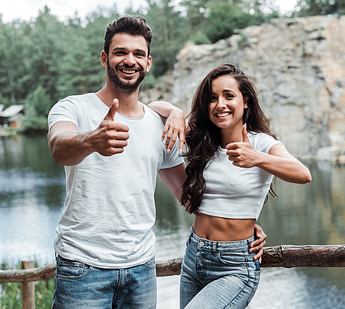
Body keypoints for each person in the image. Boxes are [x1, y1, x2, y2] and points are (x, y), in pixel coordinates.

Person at [47, 16, 266, 308]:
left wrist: (242, 227)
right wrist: (91, 141)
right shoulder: (73, 107)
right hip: (83, 267)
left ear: (148, 63)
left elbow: (192, 198)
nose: (130, 60)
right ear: (104, 58)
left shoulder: (157, 124)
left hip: (141, 271)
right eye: (120, 52)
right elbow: (59, 147)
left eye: (138, 54)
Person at [150, 63, 312, 309]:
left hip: (234, 266)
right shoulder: (201, 139)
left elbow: (303, 174)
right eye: (213, 98)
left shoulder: (261, 143)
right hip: (194, 255)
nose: (220, 104)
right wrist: (175, 111)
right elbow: (151, 110)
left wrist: (256, 158)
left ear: (245, 101)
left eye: (229, 96)